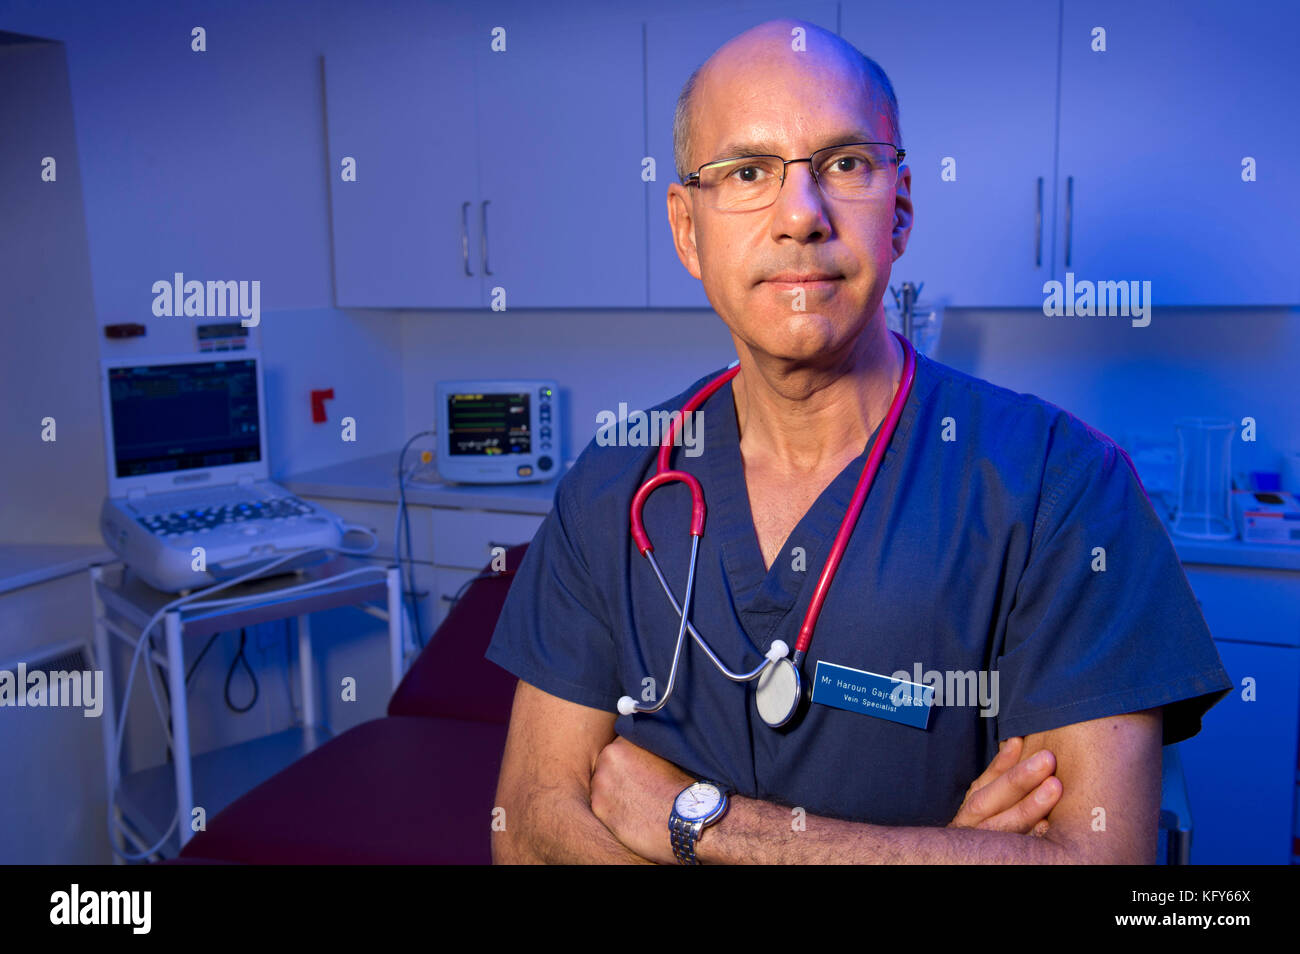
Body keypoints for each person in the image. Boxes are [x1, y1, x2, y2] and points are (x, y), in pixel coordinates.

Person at [486, 19, 1232, 864]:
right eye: (747, 172)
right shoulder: (613, 484)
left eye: (844, 163)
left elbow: (1099, 865)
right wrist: (935, 853)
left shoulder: (1064, 491)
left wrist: (701, 826)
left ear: (901, 209)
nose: (800, 215)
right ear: (688, 231)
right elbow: (530, 828)